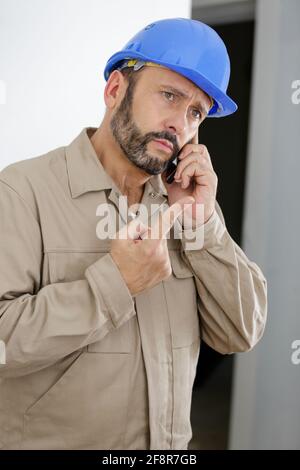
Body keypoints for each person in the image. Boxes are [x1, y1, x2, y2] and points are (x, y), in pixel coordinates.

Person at [0, 18, 267, 450]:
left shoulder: (187, 208)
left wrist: (204, 226)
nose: (180, 123)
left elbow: (241, 330)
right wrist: (114, 283)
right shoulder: (21, 192)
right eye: (169, 96)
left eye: (195, 112)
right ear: (115, 91)